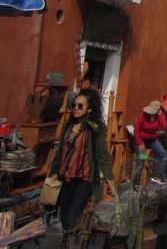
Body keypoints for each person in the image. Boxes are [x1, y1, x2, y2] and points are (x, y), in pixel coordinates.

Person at [51, 88, 114, 236]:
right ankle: (72, 241)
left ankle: (73, 242)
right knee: (65, 219)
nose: (76, 109)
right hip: (65, 178)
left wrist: (109, 179)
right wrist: (53, 173)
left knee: (72, 218)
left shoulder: (94, 129)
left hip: (83, 180)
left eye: (80, 106)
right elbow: (60, 152)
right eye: (74, 105)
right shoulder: (68, 126)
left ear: (89, 109)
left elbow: (103, 155)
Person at [133, 100, 167, 182]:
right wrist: (139, 143)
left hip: (151, 139)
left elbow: (164, 127)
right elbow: (136, 130)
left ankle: (156, 174)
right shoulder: (143, 116)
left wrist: (161, 115)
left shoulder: (159, 116)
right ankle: (137, 181)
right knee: (141, 157)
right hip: (140, 139)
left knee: (162, 153)